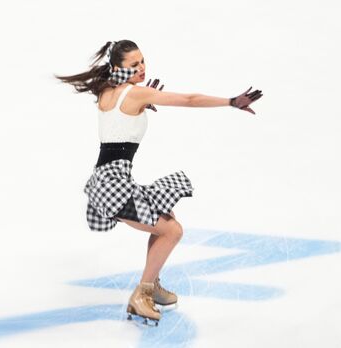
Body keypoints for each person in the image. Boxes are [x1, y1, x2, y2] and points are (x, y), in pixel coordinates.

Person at [57, 40, 262, 324]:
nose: (141, 68)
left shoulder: (107, 91)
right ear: (118, 68)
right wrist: (230, 102)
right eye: (134, 65)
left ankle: (151, 285)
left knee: (166, 217)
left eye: (143, 62)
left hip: (107, 180)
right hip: (113, 184)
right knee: (172, 231)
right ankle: (141, 294)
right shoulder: (135, 94)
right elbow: (189, 99)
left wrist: (143, 103)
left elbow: (120, 120)